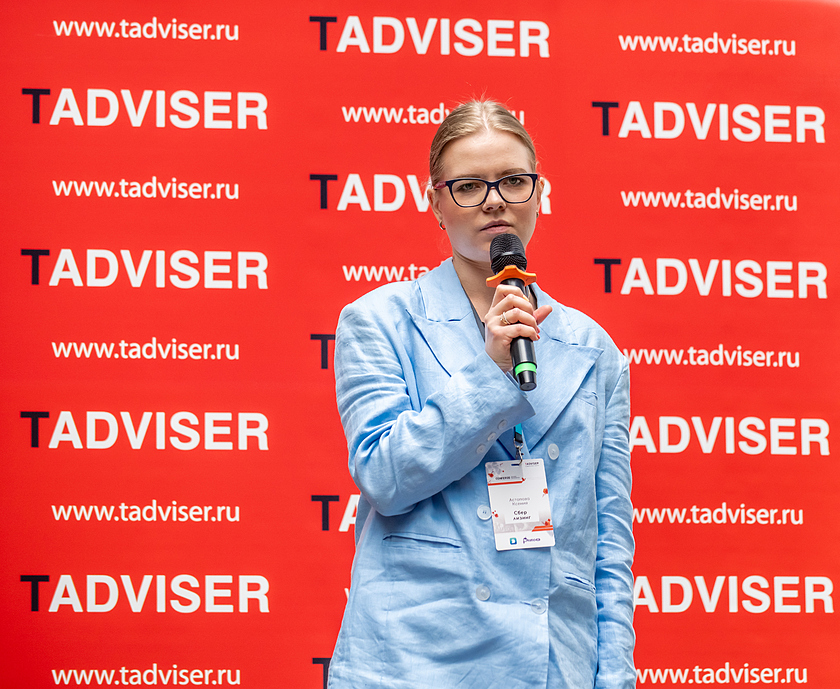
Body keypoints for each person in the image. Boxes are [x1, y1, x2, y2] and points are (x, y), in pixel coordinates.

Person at [328, 100, 635, 688]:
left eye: (514, 181)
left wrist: (614, 676)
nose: (495, 201)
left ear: (539, 193)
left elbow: (608, 539)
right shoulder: (380, 320)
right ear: (435, 203)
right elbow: (384, 477)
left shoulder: (594, 349)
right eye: (469, 186)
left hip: (553, 663)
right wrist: (490, 371)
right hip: (417, 659)